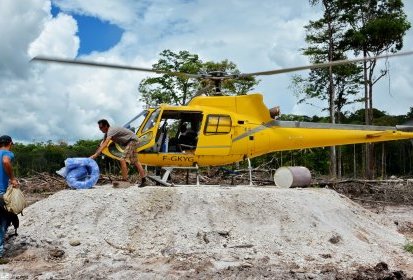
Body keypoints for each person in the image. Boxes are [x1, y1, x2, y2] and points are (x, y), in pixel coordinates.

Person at [90, 119, 147, 187]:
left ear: (106, 126)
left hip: (133, 141)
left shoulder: (111, 130)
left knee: (122, 159)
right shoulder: (107, 133)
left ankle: (125, 180)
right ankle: (144, 180)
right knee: (135, 161)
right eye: (99, 128)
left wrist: (96, 155)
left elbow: (105, 143)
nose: (100, 129)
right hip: (132, 141)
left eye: (101, 127)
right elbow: (102, 145)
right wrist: (94, 154)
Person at [0, 135, 19, 264]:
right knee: (3, 222)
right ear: (10, 143)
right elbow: (6, 162)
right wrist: (12, 179)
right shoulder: (7, 153)